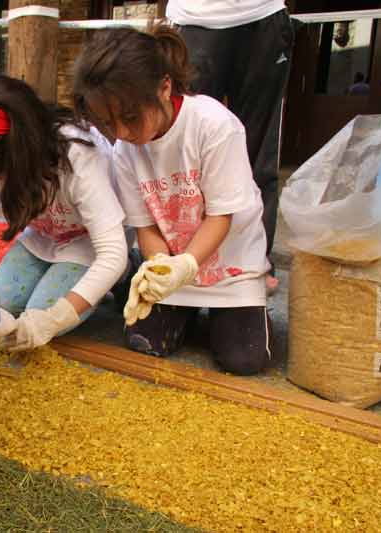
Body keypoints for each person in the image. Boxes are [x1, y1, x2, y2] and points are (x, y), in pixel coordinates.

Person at [73, 26, 271, 375]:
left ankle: (232, 307)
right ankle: (178, 305)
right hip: (176, 263)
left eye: (130, 117)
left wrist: (186, 266)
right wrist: (161, 267)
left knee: (244, 359)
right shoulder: (125, 150)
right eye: (107, 122)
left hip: (230, 264)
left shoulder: (213, 126)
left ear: (164, 88)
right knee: (144, 342)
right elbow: (145, 225)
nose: (120, 132)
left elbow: (221, 217)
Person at [0, 75, 128, 351]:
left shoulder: (77, 155)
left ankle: (126, 273)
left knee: (42, 312)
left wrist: (55, 319)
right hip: (43, 237)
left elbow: (112, 253)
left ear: (22, 150)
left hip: (89, 243)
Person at [166, 0, 294, 288]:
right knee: (184, 153)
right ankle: (181, 259)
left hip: (263, 14)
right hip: (196, 19)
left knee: (258, 156)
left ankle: (255, 263)